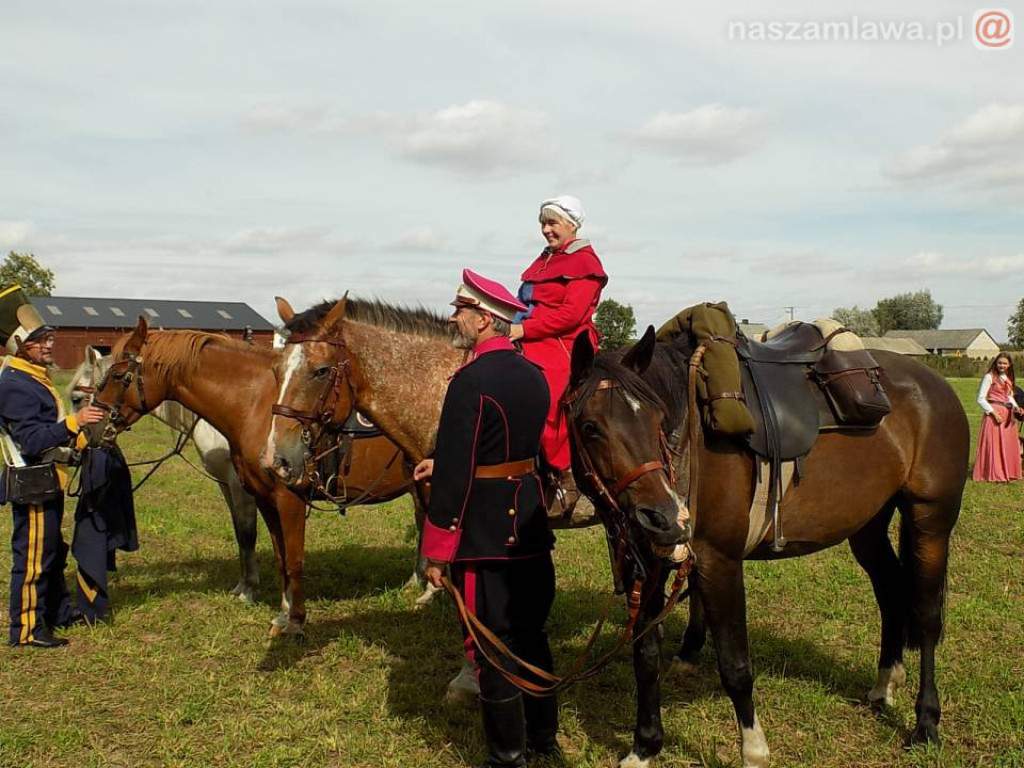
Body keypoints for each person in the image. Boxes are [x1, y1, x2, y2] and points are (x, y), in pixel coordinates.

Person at [416, 269, 558, 767]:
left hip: (483, 536)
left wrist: (437, 551)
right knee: (532, 635)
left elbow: (458, 475)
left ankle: (506, 759)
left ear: (483, 320)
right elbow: (515, 446)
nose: (453, 318)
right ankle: (544, 741)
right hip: (530, 525)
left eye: (460, 310)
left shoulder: (470, 381)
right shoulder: (534, 374)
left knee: (490, 644)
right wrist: (446, 461)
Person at [0, 286, 106, 647]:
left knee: (52, 551)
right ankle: (26, 630)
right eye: (40, 340)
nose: (49, 345)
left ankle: (57, 612)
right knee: (32, 559)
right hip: (33, 483)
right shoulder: (15, 384)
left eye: (49, 338)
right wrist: (75, 423)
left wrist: (80, 443)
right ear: (19, 345)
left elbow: (49, 430)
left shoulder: (32, 377)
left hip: (48, 479)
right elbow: (32, 441)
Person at [510, 195, 607, 520]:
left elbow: (571, 315)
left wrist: (523, 330)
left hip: (565, 342)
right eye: (543, 223)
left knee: (545, 393)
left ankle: (565, 475)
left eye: (552, 223)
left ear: (571, 224)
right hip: (531, 333)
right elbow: (523, 303)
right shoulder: (545, 259)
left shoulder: (585, 263)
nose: (546, 229)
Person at [972, 352, 1023, 482]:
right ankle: (995, 473)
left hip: (1008, 414)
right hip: (995, 414)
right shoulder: (989, 377)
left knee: (1007, 444)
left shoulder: (1007, 378)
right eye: (1000, 363)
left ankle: (1009, 471)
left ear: (1009, 364)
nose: (1002, 365)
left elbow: (1008, 396)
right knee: (995, 445)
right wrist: (993, 413)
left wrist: (1016, 407)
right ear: (996, 363)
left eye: (1005, 363)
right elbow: (980, 399)